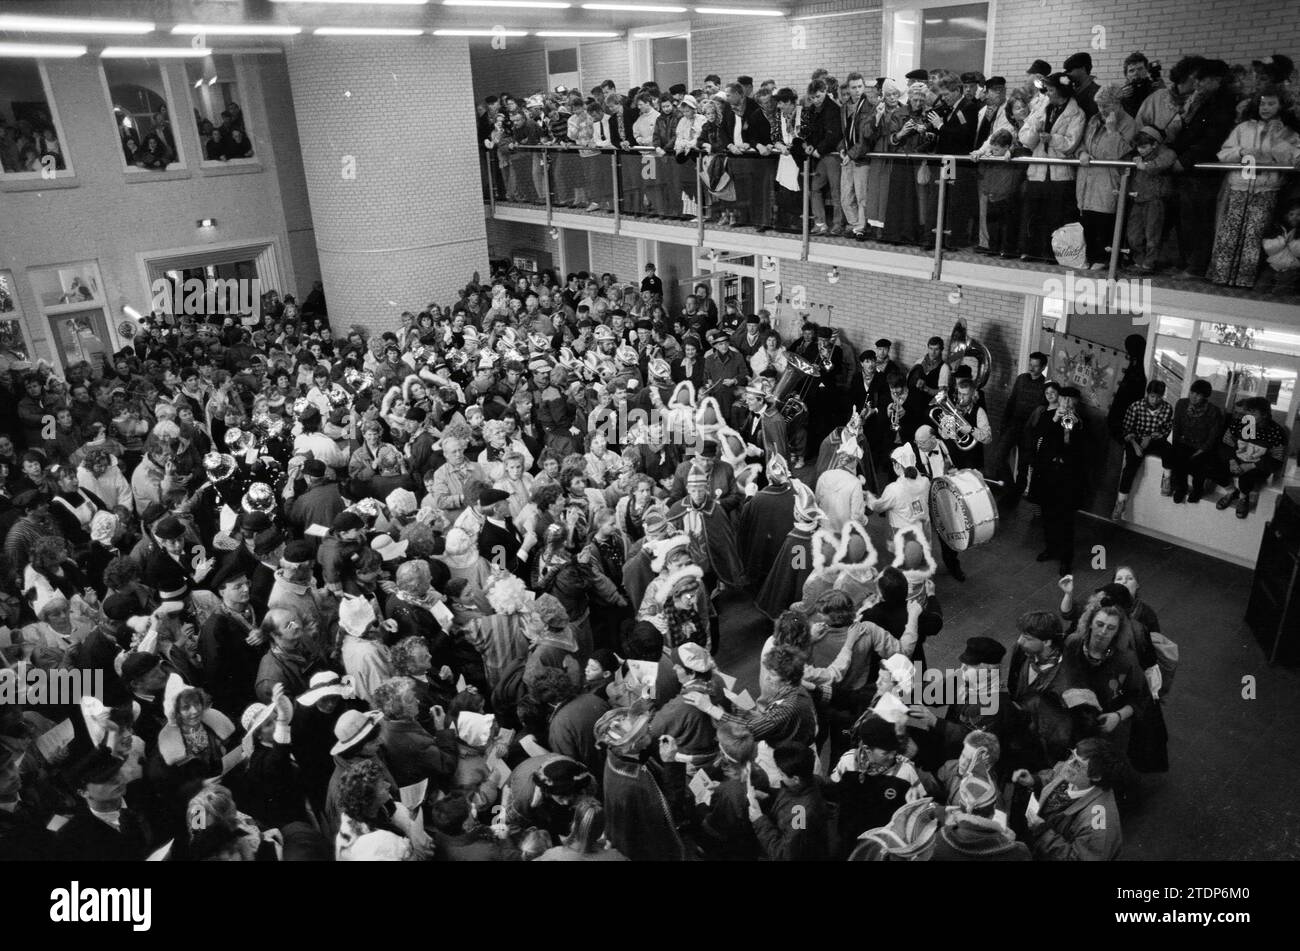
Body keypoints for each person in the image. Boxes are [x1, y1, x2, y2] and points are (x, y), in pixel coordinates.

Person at [1013, 737, 1123, 860]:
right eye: (1072, 755)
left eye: (1078, 764)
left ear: (1096, 777)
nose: (1068, 764)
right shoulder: (1074, 773)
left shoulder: (1097, 825)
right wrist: (1036, 781)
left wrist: (1043, 832)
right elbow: (1055, 775)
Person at [1027, 386, 1088, 575]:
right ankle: (1050, 549)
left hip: (1067, 477)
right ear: (1059, 400)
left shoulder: (1081, 422)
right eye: (1064, 400)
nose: (1066, 404)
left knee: (1065, 520)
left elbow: (1073, 447)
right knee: (1047, 515)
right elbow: (1039, 438)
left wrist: (1075, 428)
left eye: (1070, 401)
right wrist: (1054, 420)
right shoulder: (1048, 416)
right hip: (1047, 474)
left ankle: (1065, 559)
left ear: (1076, 403)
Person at [1113, 380, 1173, 520]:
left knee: (1169, 450)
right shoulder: (1136, 406)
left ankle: (1167, 479)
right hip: (1136, 439)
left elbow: (1166, 429)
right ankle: (1120, 502)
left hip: (1154, 439)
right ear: (1148, 394)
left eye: (1159, 397)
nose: (1155, 400)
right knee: (1130, 468)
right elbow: (1127, 430)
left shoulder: (1167, 408)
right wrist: (1136, 445)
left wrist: (1155, 436)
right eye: (1152, 396)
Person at [1165, 379, 1224, 504]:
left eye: (1198, 395)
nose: (1194, 396)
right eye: (1192, 392)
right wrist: (1176, 444)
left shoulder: (1214, 411)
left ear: (1205, 396)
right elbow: (1176, 426)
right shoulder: (1181, 403)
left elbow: (1213, 437)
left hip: (1202, 447)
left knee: (1199, 464)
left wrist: (1200, 451)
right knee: (1177, 457)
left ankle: (1198, 489)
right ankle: (1181, 488)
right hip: (1183, 443)